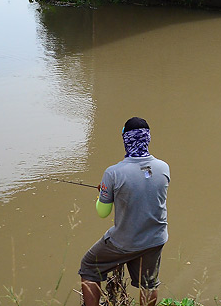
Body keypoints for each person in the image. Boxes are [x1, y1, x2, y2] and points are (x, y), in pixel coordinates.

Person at [79, 117, 170, 306]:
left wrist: (103, 194)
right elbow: (145, 192)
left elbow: (103, 212)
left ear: (125, 140)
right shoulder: (163, 167)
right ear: (147, 138)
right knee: (149, 284)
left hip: (125, 242)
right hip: (155, 238)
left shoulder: (113, 173)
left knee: (89, 266)